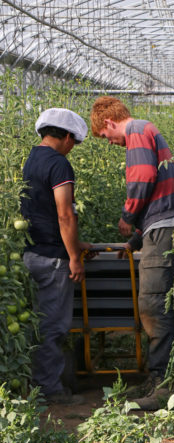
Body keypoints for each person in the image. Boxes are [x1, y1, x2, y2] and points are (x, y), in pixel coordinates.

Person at [90, 96, 174, 410]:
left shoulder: (138, 133)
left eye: (105, 136)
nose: (109, 142)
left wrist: (127, 217)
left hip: (163, 229)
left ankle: (162, 385)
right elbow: (158, 195)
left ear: (108, 122)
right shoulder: (144, 132)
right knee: (156, 303)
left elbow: (143, 178)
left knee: (153, 305)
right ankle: (157, 377)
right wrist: (135, 242)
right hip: (159, 227)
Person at [21, 108, 90, 405]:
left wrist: (78, 243)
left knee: (36, 322)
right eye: (73, 141)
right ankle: (49, 391)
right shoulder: (58, 164)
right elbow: (64, 215)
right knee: (53, 325)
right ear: (64, 136)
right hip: (53, 258)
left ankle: (38, 384)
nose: (72, 147)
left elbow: (43, 211)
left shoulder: (30, 160)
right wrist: (74, 256)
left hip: (32, 253)